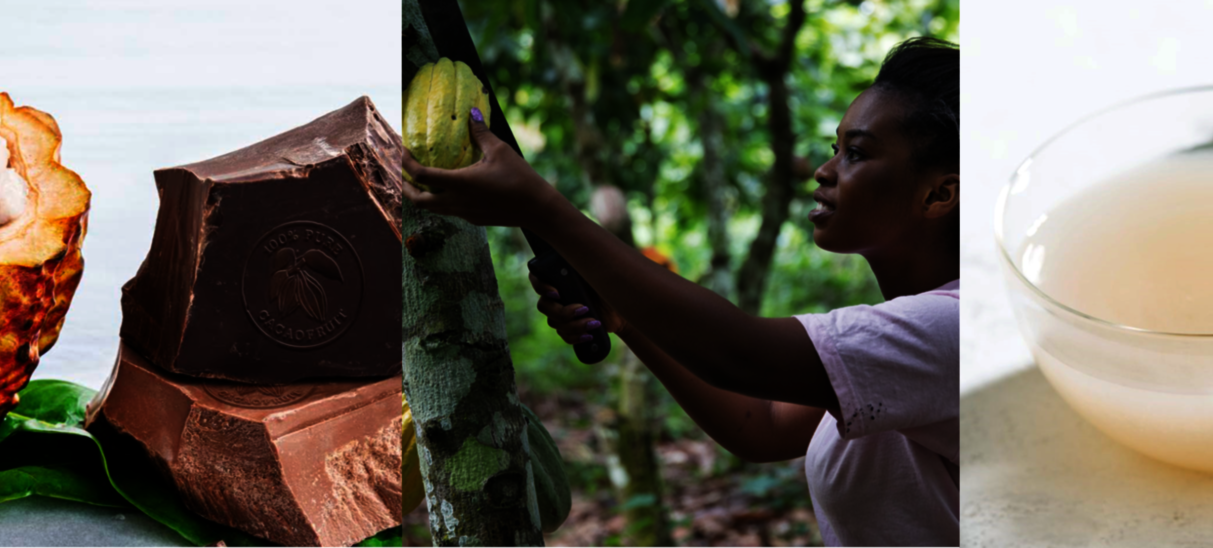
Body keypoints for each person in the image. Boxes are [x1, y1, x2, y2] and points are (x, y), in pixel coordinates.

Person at [404, 36, 960, 547]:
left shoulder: (960, 329)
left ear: (940, 193)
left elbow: (740, 353)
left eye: (856, 154)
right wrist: (625, 317)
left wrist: (541, 208)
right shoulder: (907, 342)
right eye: (833, 148)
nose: (823, 170)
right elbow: (761, 425)